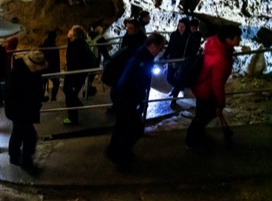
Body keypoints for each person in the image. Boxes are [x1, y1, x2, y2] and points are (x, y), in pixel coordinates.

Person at [106, 32, 168, 169]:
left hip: (122, 94)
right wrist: (135, 100)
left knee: (123, 125)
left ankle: (114, 151)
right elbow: (129, 79)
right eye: (160, 47)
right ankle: (119, 157)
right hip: (125, 96)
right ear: (153, 46)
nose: (160, 51)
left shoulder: (141, 54)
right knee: (132, 127)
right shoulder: (141, 58)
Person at [185, 25, 242, 149]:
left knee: (202, 114)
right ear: (228, 39)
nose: (240, 40)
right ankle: (191, 141)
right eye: (237, 38)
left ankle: (197, 136)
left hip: (200, 84)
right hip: (206, 90)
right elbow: (217, 83)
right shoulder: (221, 58)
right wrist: (220, 103)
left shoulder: (214, 44)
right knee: (204, 116)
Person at [4, 49, 48, 170]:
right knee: (29, 135)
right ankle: (26, 162)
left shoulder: (32, 71)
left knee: (19, 133)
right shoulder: (17, 73)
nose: (40, 69)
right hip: (18, 110)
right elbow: (8, 93)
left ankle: (15, 156)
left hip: (26, 108)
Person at [63, 25, 91, 125]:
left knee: (69, 95)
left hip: (76, 74)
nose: (69, 31)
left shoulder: (78, 45)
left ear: (75, 34)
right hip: (72, 73)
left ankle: (73, 118)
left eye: (71, 30)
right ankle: (77, 103)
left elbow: (77, 61)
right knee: (67, 90)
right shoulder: (74, 43)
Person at [163, 18, 191, 110]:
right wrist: (164, 56)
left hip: (182, 62)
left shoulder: (189, 37)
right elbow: (170, 46)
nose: (180, 28)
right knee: (169, 78)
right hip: (172, 60)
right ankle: (177, 88)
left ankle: (174, 100)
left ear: (186, 27)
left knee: (178, 80)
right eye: (179, 26)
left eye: (183, 26)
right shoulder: (174, 35)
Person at [41, 30, 61, 101]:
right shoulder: (54, 48)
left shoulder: (42, 46)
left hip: (43, 68)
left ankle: (41, 96)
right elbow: (57, 61)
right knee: (56, 82)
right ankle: (53, 97)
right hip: (52, 69)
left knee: (42, 83)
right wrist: (58, 72)